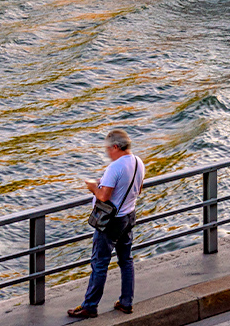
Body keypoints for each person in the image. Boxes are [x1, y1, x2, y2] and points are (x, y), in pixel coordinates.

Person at [68, 129, 145, 319]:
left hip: (111, 222)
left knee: (100, 263)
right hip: (129, 215)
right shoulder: (138, 162)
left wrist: (92, 185)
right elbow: (139, 189)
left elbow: (104, 195)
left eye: (108, 149)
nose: (107, 153)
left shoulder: (115, 167)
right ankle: (126, 302)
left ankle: (90, 306)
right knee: (126, 260)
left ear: (116, 147)